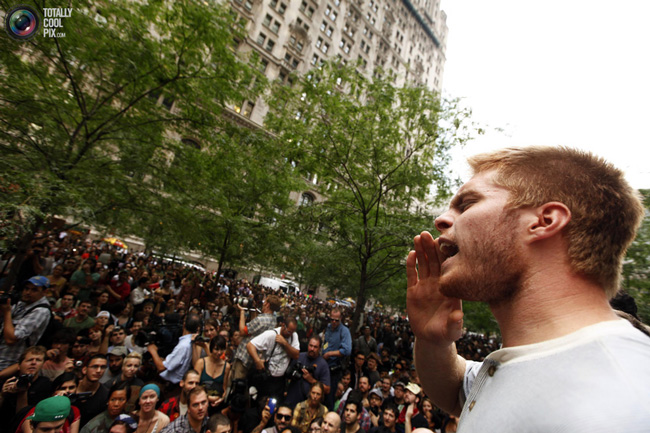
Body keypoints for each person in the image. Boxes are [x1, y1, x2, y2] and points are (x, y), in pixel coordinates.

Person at [406, 146, 650, 432]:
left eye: (467, 204)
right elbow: (458, 388)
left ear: (544, 221)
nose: (441, 220)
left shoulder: (627, 403)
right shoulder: (532, 359)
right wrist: (433, 342)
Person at [0, 276, 52, 370]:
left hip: (7, 362)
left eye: (34, 290)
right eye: (26, 288)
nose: (28, 292)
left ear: (45, 292)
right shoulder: (22, 303)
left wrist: (7, 312)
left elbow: (11, 339)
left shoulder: (41, 311)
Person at [230, 295, 281, 384]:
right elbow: (254, 329)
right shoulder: (274, 320)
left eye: (264, 302)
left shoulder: (260, 319)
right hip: (255, 358)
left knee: (236, 383)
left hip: (244, 357)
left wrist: (242, 312)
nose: (263, 304)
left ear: (267, 305)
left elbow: (242, 332)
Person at [247, 317, 300, 400]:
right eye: (289, 331)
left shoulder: (294, 335)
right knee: (262, 401)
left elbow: (296, 355)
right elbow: (250, 345)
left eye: (293, 332)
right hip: (267, 377)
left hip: (280, 380)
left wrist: (285, 343)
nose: (290, 334)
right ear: (283, 325)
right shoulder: (271, 334)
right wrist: (257, 361)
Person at [147, 314, 200, 386]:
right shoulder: (191, 341)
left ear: (184, 324)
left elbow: (161, 367)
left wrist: (153, 351)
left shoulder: (183, 345)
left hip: (171, 384)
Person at [285, 336, 331, 407]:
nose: (312, 349)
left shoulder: (323, 364)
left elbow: (327, 389)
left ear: (319, 348)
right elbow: (287, 374)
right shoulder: (299, 357)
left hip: (308, 405)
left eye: (315, 347)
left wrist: (311, 380)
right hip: (292, 399)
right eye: (311, 346)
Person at [322, 308, 351, 409]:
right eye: (332, 319)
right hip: (324, 366)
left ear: (341, 319)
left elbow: (347, 350)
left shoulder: (344, 331)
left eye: (336, 320)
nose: (334, 322)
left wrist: (330, 354)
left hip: (334, 368)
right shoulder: (328, 328)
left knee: (329, 397)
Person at [76, 354, 110, 428]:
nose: (99, 371)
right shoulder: (71, 387)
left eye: (103, 367)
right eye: (95, 366)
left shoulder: (105, 394)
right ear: (84, 370)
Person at [193, 336, 229, 405]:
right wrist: (207, 397)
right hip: (200, 400)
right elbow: (195, 386)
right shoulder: (201, 363)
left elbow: (224, 389)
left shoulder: (226, 366)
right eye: (216, 349)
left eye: (222, 349)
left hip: (217, 402)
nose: (219, 352)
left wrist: (221, 399)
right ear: (211, 348)